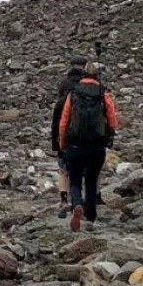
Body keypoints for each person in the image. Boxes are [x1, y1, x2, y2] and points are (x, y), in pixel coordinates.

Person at [57, 62, 121, 232]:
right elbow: (113, 120)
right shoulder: (103, 94)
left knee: (75, 179)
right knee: (92, 181)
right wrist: (109, 134)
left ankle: (77, 204)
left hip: (75, 144)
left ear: (83, 75)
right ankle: (90, 218)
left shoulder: (73, 94)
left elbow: (64, 122)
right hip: (97, 146)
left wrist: (62, 142)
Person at [50, 55, 89, 216]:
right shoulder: (91, 88)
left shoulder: (64, 87)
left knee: (64, 170)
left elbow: (58, 119)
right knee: (86, 170)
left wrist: (56, 142)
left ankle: (64, 200)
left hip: (66, 136)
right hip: (87, 137)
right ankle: (86, 199)